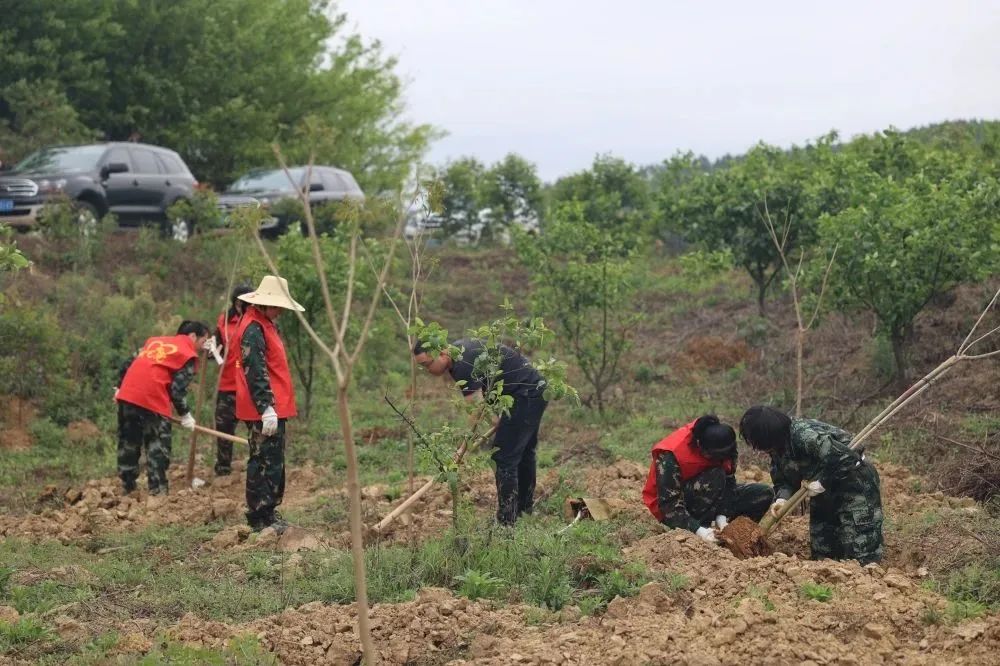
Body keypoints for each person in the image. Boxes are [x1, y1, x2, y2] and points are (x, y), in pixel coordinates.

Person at [414, 337, 548, 526]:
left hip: (526, 395)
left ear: (441, 353)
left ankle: (507, 522)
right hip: (530, 390)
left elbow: (476, 412)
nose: (428, 370)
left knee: (503, 457)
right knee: (523, 453)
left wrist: (461, 449)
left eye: (427, 364)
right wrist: (497, 418)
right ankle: (523, 512)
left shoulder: (462, 364)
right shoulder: (459, 352)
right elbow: (486, 395)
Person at [739, 406, 884, 564]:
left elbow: (846, 457)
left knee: (860, 547)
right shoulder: (777, 447)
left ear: (769, 434)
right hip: (820, 489)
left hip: (853, 482)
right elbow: (784, 479)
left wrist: (822, 482)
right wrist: (781, 499)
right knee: (824, 548)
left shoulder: (804, 435)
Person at [234, 275, 303, 532]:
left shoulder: (265, 323)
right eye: (279, 306)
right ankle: (260, 516)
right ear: (265, 303)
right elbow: (255, 369)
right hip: (262, 407)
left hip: (273, 404)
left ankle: (267, 513)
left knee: (271, 459)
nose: (282, 312)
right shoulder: (253, 327)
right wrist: (266, 407)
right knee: (263, 460)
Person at [115, 320, 211, 495]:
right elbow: (176, 391)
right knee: (157, 445)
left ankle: (128, 488)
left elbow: (128, 363)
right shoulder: (187, 353)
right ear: (192, 336)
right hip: (152, 400)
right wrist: (185, 415)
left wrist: (119, 387)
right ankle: (158, 493)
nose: (201, 347)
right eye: (203, 341)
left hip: (128, 396)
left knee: (128, 442)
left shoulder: (154, 341)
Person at [642, 415, 773, 542]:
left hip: (712, 494)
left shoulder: (726, 447)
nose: (718, 460)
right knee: (716, 475)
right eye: (713, 456)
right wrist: (698, 530)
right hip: (673, 506)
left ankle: (734, 536)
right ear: (700, 445)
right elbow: (668, 505)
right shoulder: (671, 454)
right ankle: (700, 529)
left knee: (762, 493)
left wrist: (723, 516)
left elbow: (729, 483)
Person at [207, 284, 253, 476]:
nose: (243, 306)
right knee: (224, 428)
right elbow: (217, 347)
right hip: (228, 384)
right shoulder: (224, 322)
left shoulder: (257, 322)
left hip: (251, 385)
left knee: (255, 427)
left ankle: (258, 466)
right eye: (240, 303)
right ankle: (223, 467)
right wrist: (211, 349)